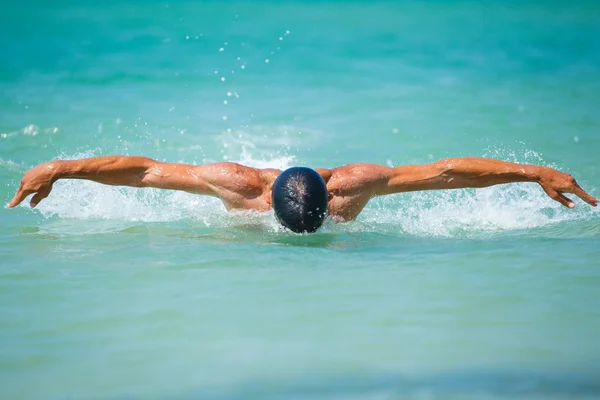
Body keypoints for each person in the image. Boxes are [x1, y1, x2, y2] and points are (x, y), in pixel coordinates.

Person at [8, 155, 598, 233]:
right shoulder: (241, 189)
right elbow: (144, 172)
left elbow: (446, 173)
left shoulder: (352, 187)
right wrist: (62, 168)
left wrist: (533, 172)